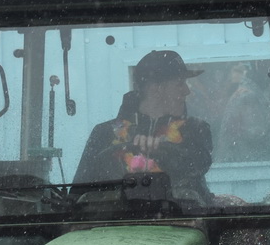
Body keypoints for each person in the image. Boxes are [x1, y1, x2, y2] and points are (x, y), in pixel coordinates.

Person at [74, 49, 214, 204]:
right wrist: (125, 152)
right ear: (156, 88)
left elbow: (199, 163)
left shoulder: (195, 129)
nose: (187, 91)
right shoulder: (104, 133)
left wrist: (161, 152)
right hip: (114, 224)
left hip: (186, 220)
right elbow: (79, 193)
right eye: (180, 84)